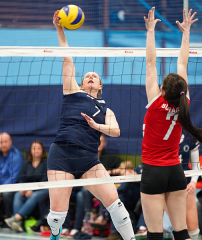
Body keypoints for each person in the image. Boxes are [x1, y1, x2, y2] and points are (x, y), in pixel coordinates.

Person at [46, 11, 135, 240]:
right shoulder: (72, 91)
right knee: (57, 214)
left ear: (101, 85)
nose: (91, 77)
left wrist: (97, 126)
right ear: (82, 83)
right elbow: (67, 59)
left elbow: (115, 131)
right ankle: (55, 232)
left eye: (94, 76)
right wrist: (60, 29)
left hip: (88, 159)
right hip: (62, 154)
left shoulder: (107, 110)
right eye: (87, 76)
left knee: (117, 206)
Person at [141, 7, 202, 240]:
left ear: (163, 90)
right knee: (181, 233)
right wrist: (186, 33)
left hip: (154, 172)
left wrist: (150, 31)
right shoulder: (184, 102)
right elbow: (183, 64)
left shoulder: (155, 102)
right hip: (176, 171)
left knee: (155, 235)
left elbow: (150, 63)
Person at [163, 130, 200, 240]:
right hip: (167, 184)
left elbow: (195, 164)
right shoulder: (161, 133)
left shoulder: (190, 136)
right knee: (179, 229)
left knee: (193, 230)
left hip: (186, 183)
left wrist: (193, 181)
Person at [4, 140, 48, 233]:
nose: (36, 151)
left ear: (42, 150)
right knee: (18, 195)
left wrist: (32, 189)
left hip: (43, 189)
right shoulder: (26, 164)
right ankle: (18, 224)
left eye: (38, 148)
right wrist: (24, 188)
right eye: (34, 148)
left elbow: (45, 179)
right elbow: (21, 178)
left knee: (35, 195)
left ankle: (16, 218)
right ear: (31, 151)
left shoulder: (46, 163)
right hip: (28, 190)